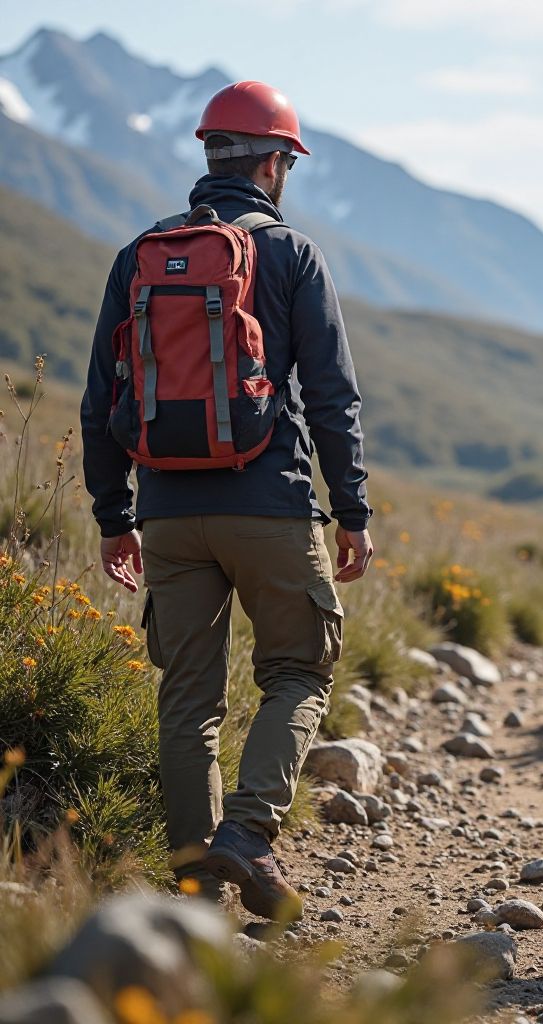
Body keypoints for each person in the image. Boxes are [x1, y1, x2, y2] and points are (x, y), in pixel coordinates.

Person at [81, 81, 373, 921]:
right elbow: (332, 398)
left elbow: (101, 399)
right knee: (297, 671)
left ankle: (193, 888)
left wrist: (114, 516)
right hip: (272, 504)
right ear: (276, 163)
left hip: (167, 514)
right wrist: (351, 511)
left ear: (211, 154)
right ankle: (247, 836)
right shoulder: (291, 254)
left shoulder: (140, 253)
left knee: (188, 697)